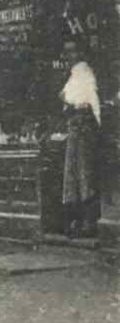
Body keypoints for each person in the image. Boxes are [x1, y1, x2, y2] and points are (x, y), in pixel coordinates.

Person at [59, 38, 101, 238]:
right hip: (74, 128)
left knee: (83, 173)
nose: (68, 56)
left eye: (72, 52)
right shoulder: (73, 76)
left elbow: (91, 102)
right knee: (74, 175)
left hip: (83, 128)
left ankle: (87, 221)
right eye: (66, 52)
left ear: (80, 54)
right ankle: (77, 220)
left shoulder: (85, 74)